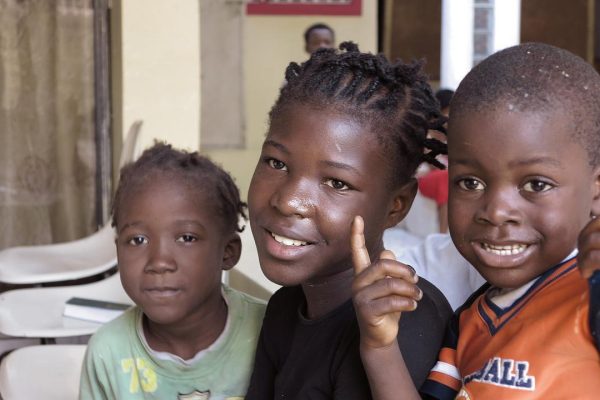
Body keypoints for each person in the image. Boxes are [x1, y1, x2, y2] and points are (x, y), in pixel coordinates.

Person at [353, 42, 600, 399]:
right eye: (471, 183)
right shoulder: (468, 321)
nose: (496, 211)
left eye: (536, 184)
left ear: (595, 191)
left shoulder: (588, 297)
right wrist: (379, 348)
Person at [245, 41, 453, 399]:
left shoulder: (402, 320)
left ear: (396, 206)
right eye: (277, 163)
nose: (290, 201)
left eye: (337, 183)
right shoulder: (285, 307)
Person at [79, 143, 266, 399]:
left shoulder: (268, 331)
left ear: (228, 252)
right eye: (137, 240)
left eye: (187, 238)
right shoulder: (107, 352)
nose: (159, 261)